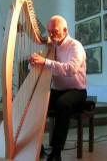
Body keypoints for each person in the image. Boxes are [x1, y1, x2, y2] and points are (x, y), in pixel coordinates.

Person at [30, 15, 87, 161]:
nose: (50, 34)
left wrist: (45, 62)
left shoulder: (76, 46)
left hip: (77, 91)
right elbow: (42, 66)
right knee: (36, 100)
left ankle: (56, 152)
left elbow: (71, 70)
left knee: (63, 104)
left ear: (65, 30)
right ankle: (37, 146)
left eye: (54, 31)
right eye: (49, 31)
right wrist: (34, 63)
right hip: (59, 90)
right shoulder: (52, 47)